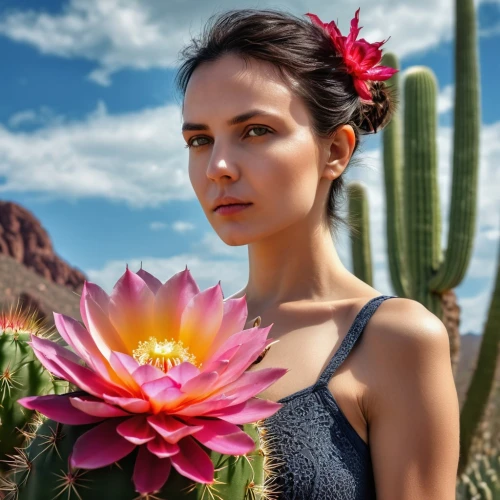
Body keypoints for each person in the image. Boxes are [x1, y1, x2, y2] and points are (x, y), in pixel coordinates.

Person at [175, 7, 459, 499]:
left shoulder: (395, 339)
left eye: (255, 130)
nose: (217, 166)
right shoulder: (180, 338)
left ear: (335, 151)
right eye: (200, 140)